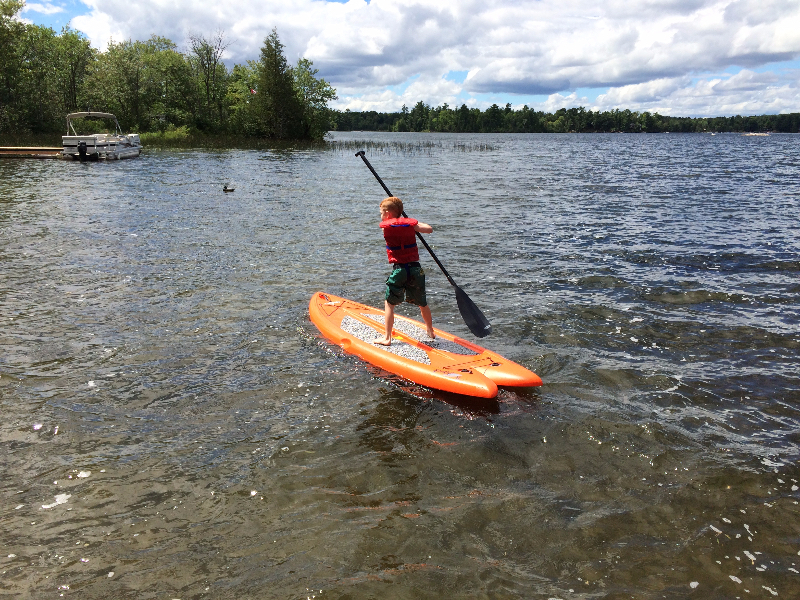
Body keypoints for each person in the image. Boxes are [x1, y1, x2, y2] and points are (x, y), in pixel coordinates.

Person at [373, 196, 435, 346]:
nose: (381, 216)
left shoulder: (386, 226)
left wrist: (402, 221)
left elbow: (390, 224)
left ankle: (387, 338)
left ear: (387, 214)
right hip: (415, 269)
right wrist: (411, 222)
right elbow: (429, 229)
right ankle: (430, 331)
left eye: (381, 213)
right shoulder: (411, 226)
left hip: (399, 270)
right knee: (422, 303)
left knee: (389, 303)